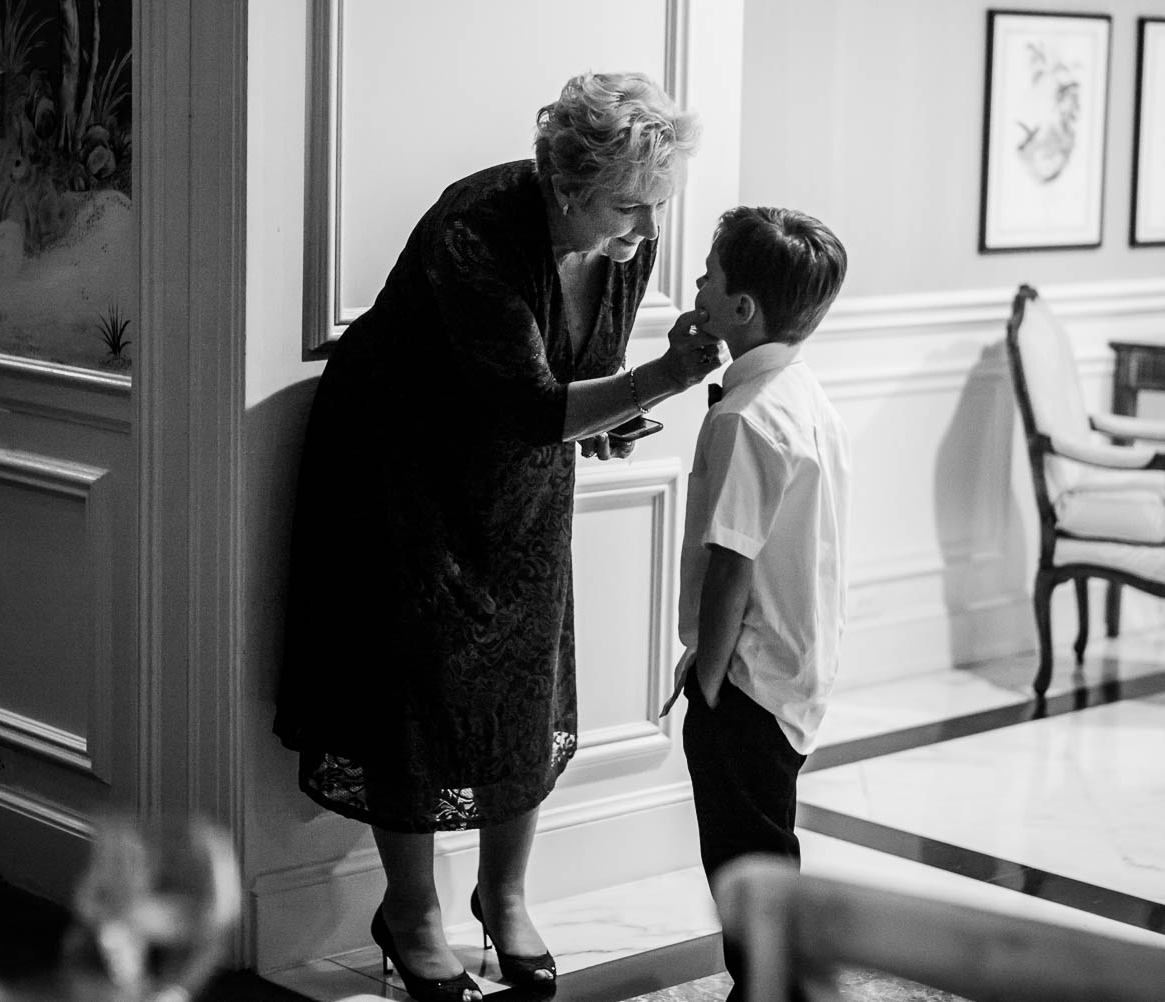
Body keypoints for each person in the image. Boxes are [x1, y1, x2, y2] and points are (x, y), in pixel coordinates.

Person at [274, 71, 722, 1002]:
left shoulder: (624, 238)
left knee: (526, 678)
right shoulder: (473, 229)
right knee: (413, 688)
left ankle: (503, 896)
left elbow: (572, 382)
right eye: (630, 208)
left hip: (519, 481)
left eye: (657, 208)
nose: (647, 232)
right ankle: (409, 913)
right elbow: (526, 398)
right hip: (401, 469)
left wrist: (607, 417)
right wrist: (668, 376)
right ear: (566, 188)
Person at [662, 205, 850, 1002]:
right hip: (793, 666)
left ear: (741, 309)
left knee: (743, 858)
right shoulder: (798, 391)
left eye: (710, 274)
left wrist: (707, 677)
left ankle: (770, 986)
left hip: (746, 679)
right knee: (766, 837)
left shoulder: (745, 416)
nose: (697, 283)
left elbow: (731, 557)